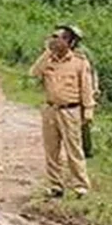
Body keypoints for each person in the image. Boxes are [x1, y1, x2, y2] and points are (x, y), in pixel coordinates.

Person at [29, 24, 95, 198]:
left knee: (74, 150)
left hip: (71, 111)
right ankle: (55, 185)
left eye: (58, 37)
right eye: (53, 37)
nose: (54, 40)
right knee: (51, 150)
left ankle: (80, 186)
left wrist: (88, 110)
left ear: (69, 41)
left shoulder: (79, 62)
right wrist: (47, 53)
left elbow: (86, 88)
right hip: (51, 110)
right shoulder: (48, 60)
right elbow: (34, 73)